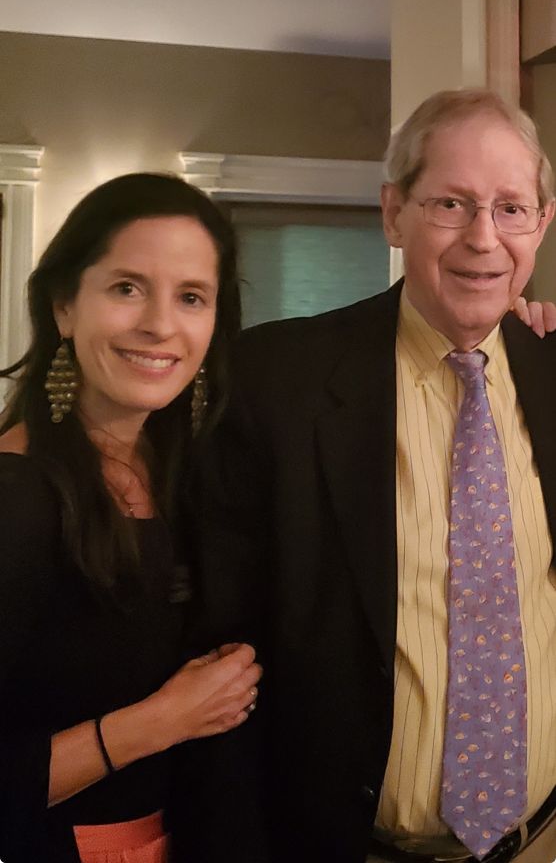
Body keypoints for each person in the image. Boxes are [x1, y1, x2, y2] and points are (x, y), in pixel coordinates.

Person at [187, 90, 556, 863]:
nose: (484, 238)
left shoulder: (553, 371)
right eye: (451, 204)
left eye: (511, 208)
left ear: (542, 223)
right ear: (394, 213)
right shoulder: (276, 382)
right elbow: (218, 653)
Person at [0, 172, 262, 863]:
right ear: (64, 305)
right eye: (127, 288)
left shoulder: (184, 471)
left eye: (191, 297)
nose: (160, 324)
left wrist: (511, 332)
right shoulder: (16, 495)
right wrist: (161, 721)